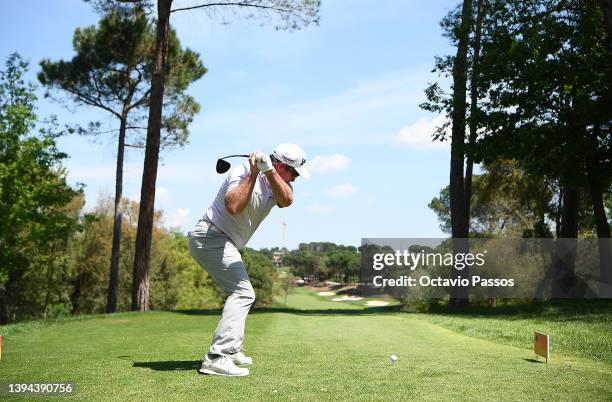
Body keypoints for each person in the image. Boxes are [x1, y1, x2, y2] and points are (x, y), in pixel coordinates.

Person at [188, 143, 310, 376]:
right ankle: (217, 356)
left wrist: (269, 172)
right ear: (282, 165)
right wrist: (255, 172)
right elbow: (233, 206)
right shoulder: (242, 172)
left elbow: (287, 201)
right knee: (243, 293)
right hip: (209, 237)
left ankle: (231, 350)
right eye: (293, 172)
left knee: (243, 292)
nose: (295, 178)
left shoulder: (275, 180)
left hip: (224, 241)